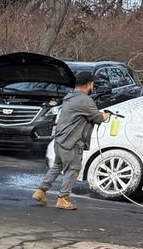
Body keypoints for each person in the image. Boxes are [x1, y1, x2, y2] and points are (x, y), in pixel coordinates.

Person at [33, 71, 111, 211]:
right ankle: (63, 198)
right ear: (88, 84)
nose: (93, 86)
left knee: (57, 166)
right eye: (92, 84)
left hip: (60, 140)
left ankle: (41, 191)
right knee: (73, 169)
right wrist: (105, 116)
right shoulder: (85, 100)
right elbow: (97, 117)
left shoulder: (70, 97)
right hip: (71, 141)